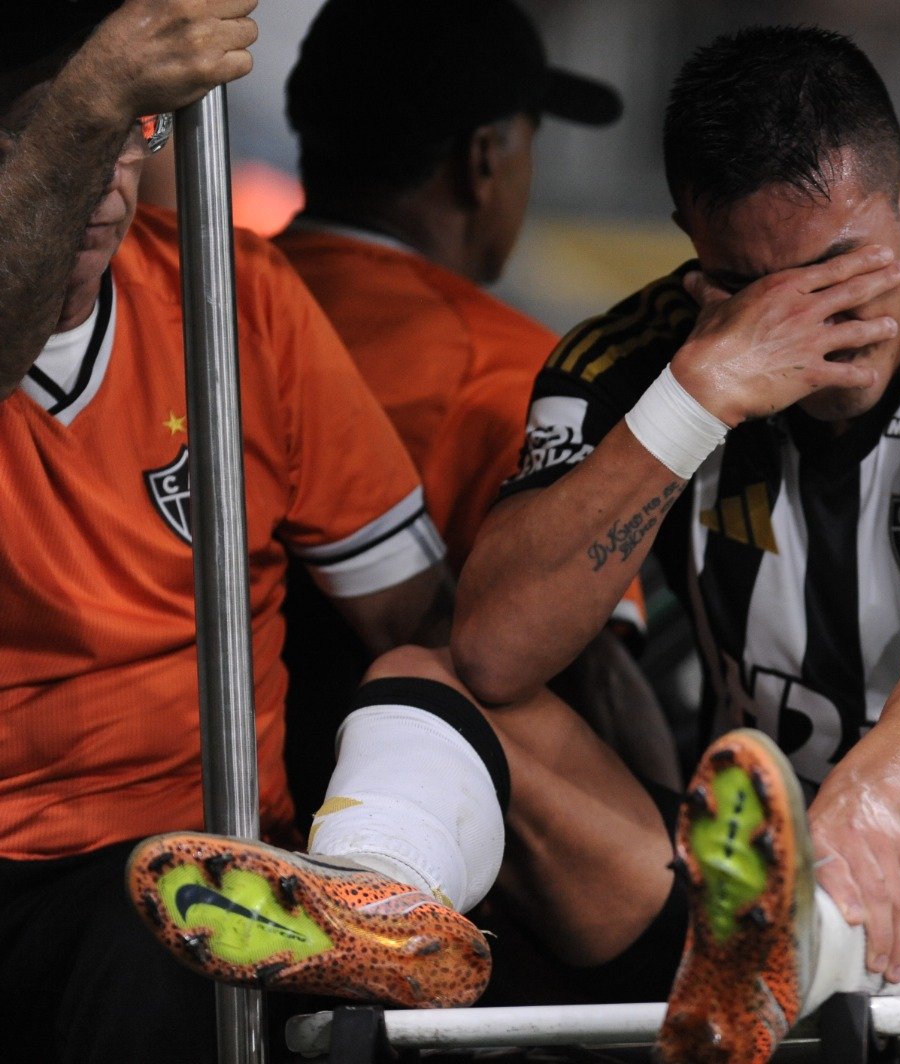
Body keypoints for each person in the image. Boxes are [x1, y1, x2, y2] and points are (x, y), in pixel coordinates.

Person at [130, 24, 900, 1063]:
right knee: (425, 673)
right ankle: (383, 898)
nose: (809, 320)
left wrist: (866, 800)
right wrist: (696, 396)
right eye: (752, 286)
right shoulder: (633, 363)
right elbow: (498, 649)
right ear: (691, 242)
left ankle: (808, 950)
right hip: (734, 895)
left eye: (841, 266)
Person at [0, 2, 455, 1060]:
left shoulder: (234, 298)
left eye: (132, 131)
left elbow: (418, 616)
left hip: (207, 856)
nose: (106, 174)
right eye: (55, 131)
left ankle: (369, 907)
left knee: (173, 932)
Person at [267, 0, 666, 826]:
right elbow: (597, 680)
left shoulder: (206, 308)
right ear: (484, 159)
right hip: (415, 839)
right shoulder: (516, 368)